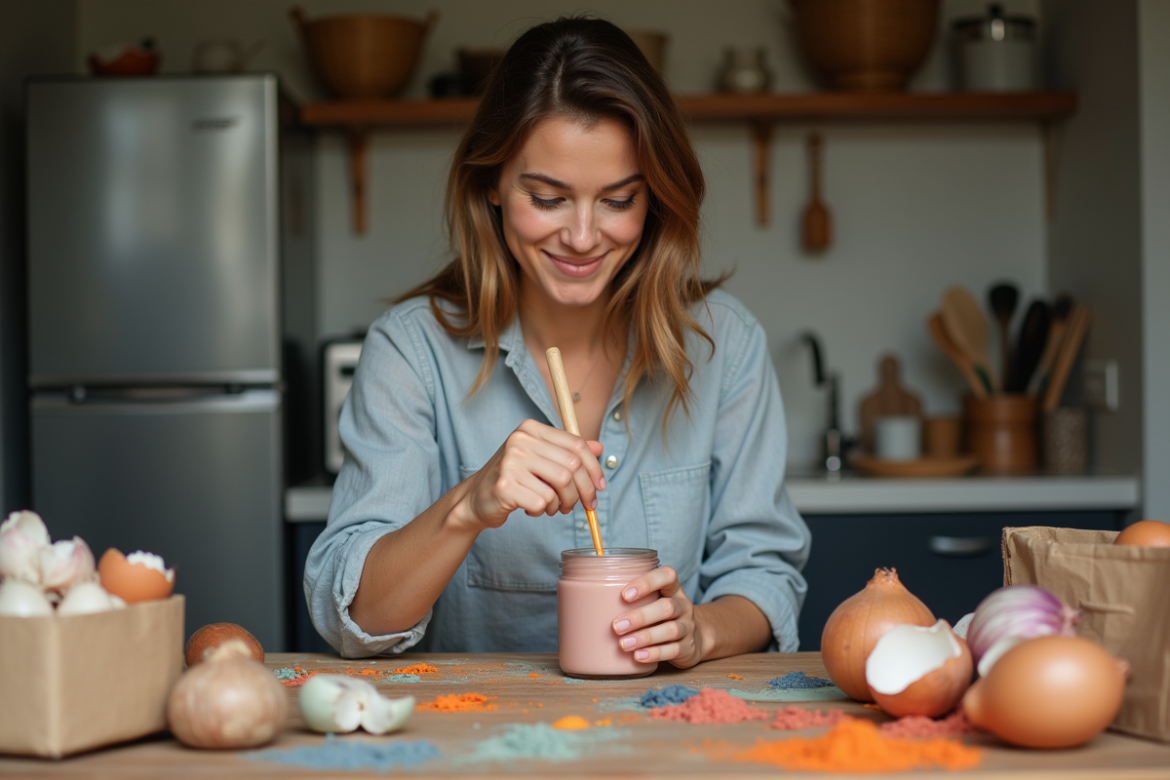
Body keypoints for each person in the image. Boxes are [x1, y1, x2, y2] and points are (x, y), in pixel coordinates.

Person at [306, 16, 810, 665]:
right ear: (491, 185)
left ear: (655, 198)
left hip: (663, 721)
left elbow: (764, 574)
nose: (582, 237)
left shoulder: (724, 342)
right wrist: (469, 504)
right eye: (547, 198)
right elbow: (354, 619)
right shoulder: (410, 350)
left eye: (618, 200)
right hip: (477, 725)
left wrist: (701, 631)